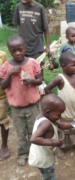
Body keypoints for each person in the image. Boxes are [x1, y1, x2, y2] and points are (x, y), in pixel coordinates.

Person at [0, 35, 42, 166]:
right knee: (20, 133)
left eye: (20, 49)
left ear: (25, 48)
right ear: (9, 51)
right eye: (14, 51)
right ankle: (23, 154)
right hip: (16, 107)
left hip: (32, 105)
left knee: (33, 131)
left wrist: (32, 81)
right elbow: (2, 85)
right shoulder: (6, 66)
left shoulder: (32, 62)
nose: (18, 53)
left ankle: (34, 152)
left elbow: (40, 80)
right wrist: (11, 73)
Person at [29, 94, 75, 180]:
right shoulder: (46, 123)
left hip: (42, 154)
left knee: (45, 175)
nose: (60, 117)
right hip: (43, 158)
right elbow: (33, 139)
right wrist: (53, 142)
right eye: (59, 114)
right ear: (48, 112)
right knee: (50, 177)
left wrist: (72, 124)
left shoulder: (47, 117)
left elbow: (61, 124)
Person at [45, 52, 75, 159]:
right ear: (63, 66)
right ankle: (61, 147)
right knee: (63, 131)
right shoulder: (60, 78)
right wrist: (54, 102)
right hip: (64, 111)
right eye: (73, 65)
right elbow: (47, 89)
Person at [0, 51, 11, 161]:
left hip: (1, 96)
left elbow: (7, 74)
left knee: (2, 120)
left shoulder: (2, 55)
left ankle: (4, 145)